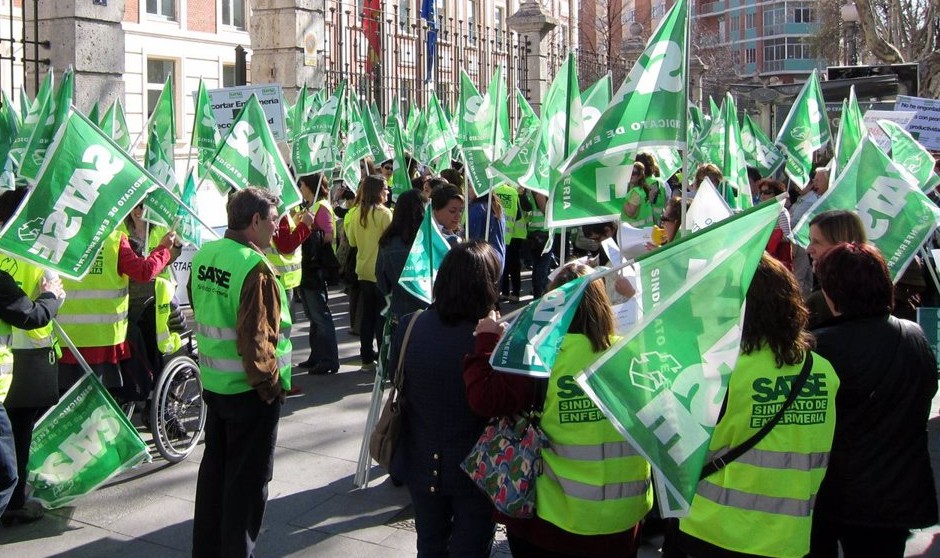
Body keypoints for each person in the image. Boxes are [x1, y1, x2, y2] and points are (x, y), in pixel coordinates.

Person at [464, 262, 653, 557]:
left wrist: (486, 342)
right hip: (622, 520)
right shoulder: (634, 354)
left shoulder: (538, 358)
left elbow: (484, 399)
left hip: (553, 521)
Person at [666, 254, 840, 558]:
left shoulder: (718, 374)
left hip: (714, 530)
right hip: (789, 536)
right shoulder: (822, 371)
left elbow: (676, 453)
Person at [808, 243, 938, 558]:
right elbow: (926, 392)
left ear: (832, 292)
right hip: (896, 493)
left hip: (833, 493)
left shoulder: (819, 349)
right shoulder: (914, 335)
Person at [190, 187, 292, 558]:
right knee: (246, 489)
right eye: (273, 219)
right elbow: (258, 342)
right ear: (255, 221)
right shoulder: (255, 267)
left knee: (215, 479)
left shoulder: (205, 255)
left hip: (215, 387)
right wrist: (271, 388)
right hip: (250, 394)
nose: (277, 226)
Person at [389, 241, 502, 557]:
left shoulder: (410, 325)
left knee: (429, 544)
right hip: (475, 469)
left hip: (420, 461)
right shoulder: (489, 340)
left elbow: (397, 376)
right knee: (471, 548)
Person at [346, 175, 393, 373]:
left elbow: (352, 242)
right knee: (382, 317)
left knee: (367, 316)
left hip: (363, 270)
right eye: (385, 189)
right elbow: (391, 242)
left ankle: (366, 358)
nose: (388, 192)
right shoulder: (385, 213)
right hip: (381, 271)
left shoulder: (356, 213)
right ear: (377, 191)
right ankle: (384, 360)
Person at [294, 173, 340, 375]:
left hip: (316, 267)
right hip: (306, 267)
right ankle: (316, 355)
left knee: (320, 314)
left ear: (309, 185)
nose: (299, 187)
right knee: (313, 315)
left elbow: (329, 236)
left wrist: (309, 228)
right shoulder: (310, 206)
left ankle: (329, 359)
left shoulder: (321, 207)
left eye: (301, 184)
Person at [376, 189, 430, 343]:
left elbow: (382, 281)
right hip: (428, 312)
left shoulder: (387, 242)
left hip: (399, 311)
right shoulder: (429, 241)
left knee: (400, 358)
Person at [790, 167, 829, 298]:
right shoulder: (813, 198)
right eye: (814, 180)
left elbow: (795, 221)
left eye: (817, 181)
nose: (815, 184)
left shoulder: (817, 201)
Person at [756, 179, 793, 270]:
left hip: (777, 256)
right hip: (767, 255)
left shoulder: (781, 212)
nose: (762, 196)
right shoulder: (764, 212)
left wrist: (771, 236)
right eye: (761, 192)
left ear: (777, 194)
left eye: (767, 192)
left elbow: (787, 236)